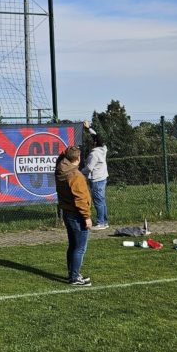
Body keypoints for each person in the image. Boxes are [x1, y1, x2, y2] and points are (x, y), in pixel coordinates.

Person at [56, 145, 93, 286]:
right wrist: (87, 217)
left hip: (67, 212)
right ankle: (75, 277)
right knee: (80, 247)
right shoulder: (75, 175)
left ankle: (73, 273)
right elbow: (81, 199)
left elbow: (62, 158)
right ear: (78, 158)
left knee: (72, 245)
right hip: (77, 215)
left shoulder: (61, 170)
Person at [82, 120, 109, 230]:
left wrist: (77, 172)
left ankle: (100, 223)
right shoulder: (103, 149)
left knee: (98, 202)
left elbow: (88, 168)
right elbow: (96, 136)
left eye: (92, 141)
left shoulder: (94, 154)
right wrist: (88, 129)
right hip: (103, 178)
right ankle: (105, 222)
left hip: (96, 180)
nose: (90, 141)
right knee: (102, 201)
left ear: (94, 143)